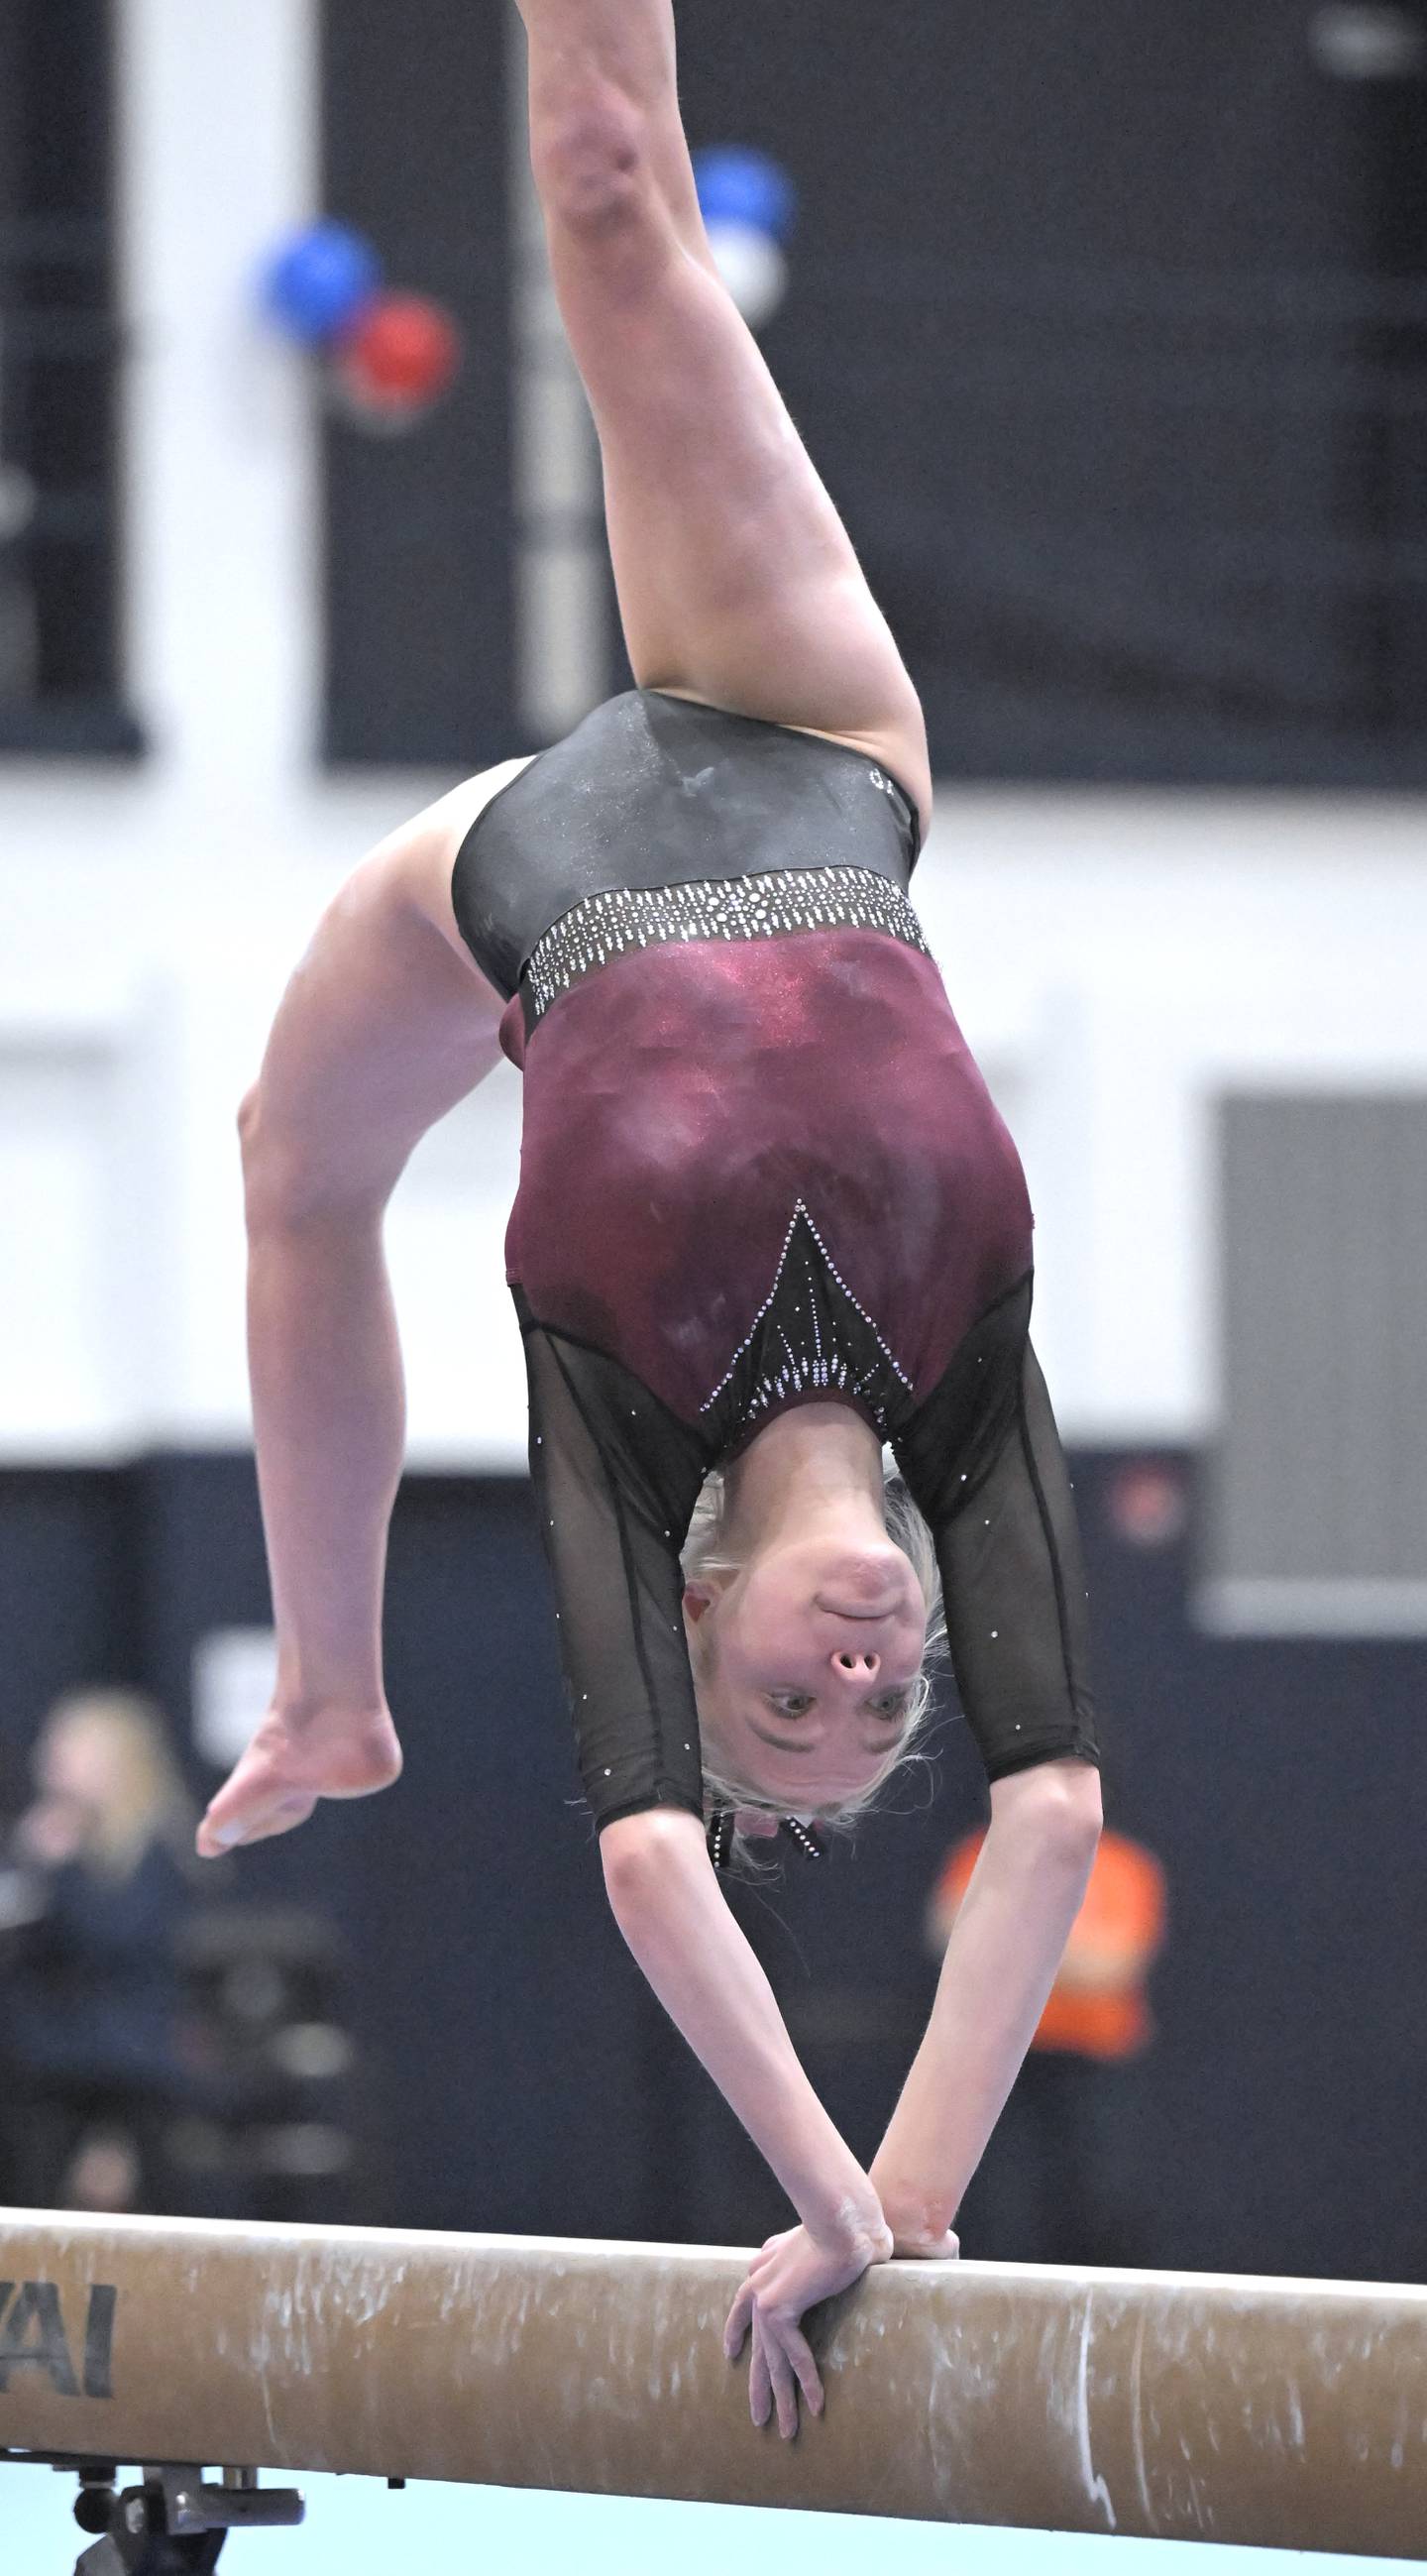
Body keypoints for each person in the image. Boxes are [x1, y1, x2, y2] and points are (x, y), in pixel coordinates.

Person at [198, 0, 1104, 2439]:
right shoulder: (967, 1384)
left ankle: (327, 1685)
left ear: (692, 1615)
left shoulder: (608, 1422)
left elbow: (645, 1868)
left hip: (503, 893)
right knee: (611, 192)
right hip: (812, 739)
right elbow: (1047, 1823)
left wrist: (793, 2183)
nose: (856, 1668)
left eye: (781, 1706)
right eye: (878, 1702)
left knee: (293, 1176)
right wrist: (892, 2210)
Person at [930, 1823, 1166, 2265]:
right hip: (1002, 2063)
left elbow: (1113, 1969)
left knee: (1103, 2200)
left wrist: (1012, 1943)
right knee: (1000, 2202)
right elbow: (950, 1936)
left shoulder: (1122, 1864)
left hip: (1093, 2064)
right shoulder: (982, 1852)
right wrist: (1068, 1952)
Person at [1, 1687, 197, 2212]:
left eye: (69, 1747)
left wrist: (57, 1873)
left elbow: (116, 1937)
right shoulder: (35, 1844)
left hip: (129, 2070)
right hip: (43, 2070)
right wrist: (32, 1865)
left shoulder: (158, 1849)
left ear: (115, 1761)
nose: (50, 1759)